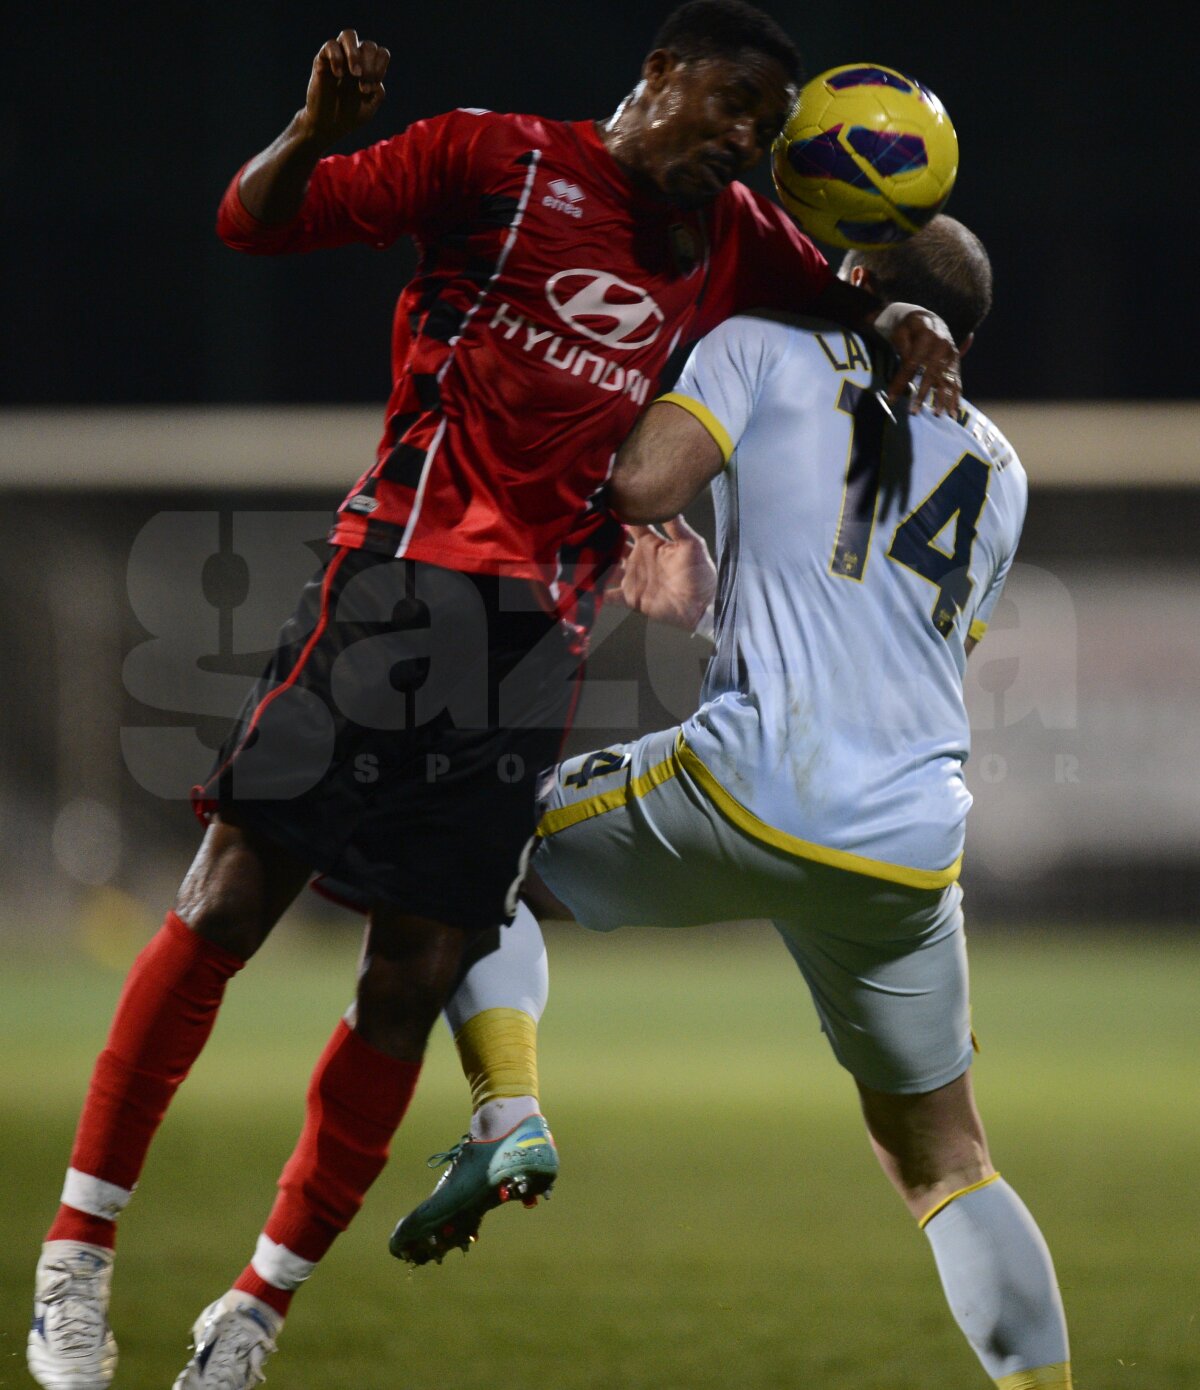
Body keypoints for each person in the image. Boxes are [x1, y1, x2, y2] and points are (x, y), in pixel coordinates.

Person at [28, 6, 964, 1389]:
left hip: (535, 643)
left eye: (767, 126)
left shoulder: (741, 244)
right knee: (227, 900)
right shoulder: (490, 159)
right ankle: (75, 1262)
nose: (743, 138)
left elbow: (925, 277)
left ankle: (253, 1315)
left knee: (409, 976)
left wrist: (903, 300)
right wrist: (309, 136)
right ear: (659, 73)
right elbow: (252, 221)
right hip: (394, 582)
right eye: (730, 102)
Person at [391, 217, 1074, 1389]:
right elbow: (883, 636)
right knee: (947, 1160)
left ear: (857, 279)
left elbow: (638, 481)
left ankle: (508, 1114)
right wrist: (716, 602)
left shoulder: (763, 343)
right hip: (906, 843)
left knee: (457, 846)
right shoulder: (1003, 471)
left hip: (759, 781)